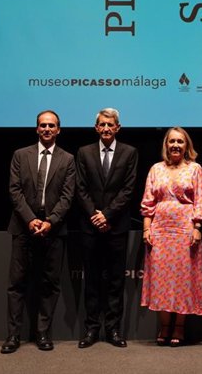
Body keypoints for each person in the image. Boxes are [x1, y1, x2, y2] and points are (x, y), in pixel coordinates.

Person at [1, 110, 76, 354]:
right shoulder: (20, 155)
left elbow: (67, 196)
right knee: (17, 284)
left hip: (53, 231)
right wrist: (31, 219)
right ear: (36, 129)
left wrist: (50, 221)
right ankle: (13, 335)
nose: (46, 129)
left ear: (58, 130)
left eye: (51, 125)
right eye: (42, 125)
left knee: (50, 284)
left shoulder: (68, 159)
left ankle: (42, 333)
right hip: (23, 228)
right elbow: (14, 191)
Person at [140, 127, 202, 347]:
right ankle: (164, 326)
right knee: (161, 279)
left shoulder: (195, 169)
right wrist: (146, 229)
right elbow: (147, 202)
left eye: (180, 141)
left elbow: (200, 199)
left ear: (186, 145)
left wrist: (197, 227)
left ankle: (179, 327)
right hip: (160, 230)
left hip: (185, 230)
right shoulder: (155, 169)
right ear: (166, 145)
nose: (176, 145)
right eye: (172, 141)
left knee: (182, 279)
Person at [75, 108, 138, 348]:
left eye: (110, 124)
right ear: (96, 128)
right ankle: (91, 329)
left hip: (116, 226)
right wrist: (95, 215)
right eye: (101, 124)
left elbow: (128, 189)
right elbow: (80, 188)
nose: (106, 128)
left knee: (115, 282)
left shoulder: (130, 152)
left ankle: (113, 330)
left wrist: (107, 215)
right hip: (90, 227)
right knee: (91, 280)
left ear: (118, 127)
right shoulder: (84, 152)